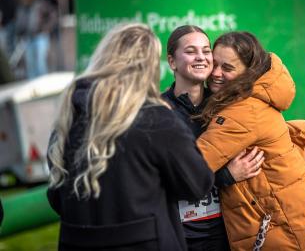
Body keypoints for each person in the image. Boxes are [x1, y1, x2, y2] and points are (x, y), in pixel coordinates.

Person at [197, 32, 305, 250]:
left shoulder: (241, 112)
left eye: (227, 68)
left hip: (281, 234)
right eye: (214, 64)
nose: (215, 73)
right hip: (296, 225)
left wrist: (225, 175)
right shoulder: (255, 98)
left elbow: (189, 168)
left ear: (248, 73)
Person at [46, 23, 214, 251]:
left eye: (206, 50)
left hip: (74, 240)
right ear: (151, 65)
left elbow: (57, 193)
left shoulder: (71, 110)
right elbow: (197, 184)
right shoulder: (156, 117)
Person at [163, 25, 264, 251]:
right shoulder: (156, 112)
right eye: (191, 51)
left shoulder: (229, 109)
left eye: (206, 50)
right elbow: (158, 180)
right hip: (178, 236)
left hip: (225, 234)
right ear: (172, 62)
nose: (201, 57)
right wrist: (226, 176)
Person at [15, 0, 57, 79]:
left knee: (40, 63)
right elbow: (20, 23)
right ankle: (33, 86)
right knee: (31, 65)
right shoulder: (23, 8)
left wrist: (46, 29)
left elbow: (52, 15)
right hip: (28, 38)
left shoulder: (40, 4)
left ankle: (43, 83)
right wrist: (20, 33)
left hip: (40, 37)